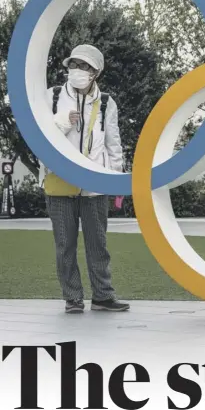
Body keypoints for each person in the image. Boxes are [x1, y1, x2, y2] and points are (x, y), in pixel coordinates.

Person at [41, 44, 130, 314]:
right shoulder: (53, 96)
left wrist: (116, 180)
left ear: (96, 73)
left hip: (94, 185)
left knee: (98, 244)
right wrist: (63, 122)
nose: (78, 71)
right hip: (59, 183)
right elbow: (40, 135)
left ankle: (103, 296)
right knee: (64, 246)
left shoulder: (106, 102)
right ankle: (73, 298)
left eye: (85, 66)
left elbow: (113, 143)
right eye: (74, 65)